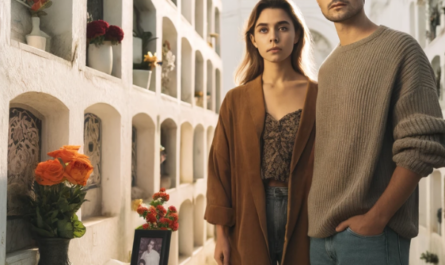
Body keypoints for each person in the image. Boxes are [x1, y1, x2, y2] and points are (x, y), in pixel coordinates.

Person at [309, 0, 445, 264]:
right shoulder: (326, 70)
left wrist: (376, 218)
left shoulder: (400, 49)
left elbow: (423, 143)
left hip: (372, 237)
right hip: (319, 238)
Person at [204, 0, 317, 264]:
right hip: (249, 215)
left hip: (305, 215)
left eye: (282, 28)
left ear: (297, 34)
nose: (274, 37)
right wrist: (221, 235)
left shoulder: (318, 95)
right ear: (253, 39)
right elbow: (220, 169)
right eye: (264, 30)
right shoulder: (236, 100)